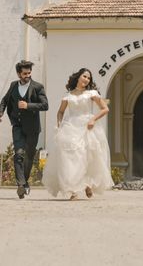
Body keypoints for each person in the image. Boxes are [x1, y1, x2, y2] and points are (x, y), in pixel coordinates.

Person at [42, 68, 111, 200]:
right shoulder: (68, 96)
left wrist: (93, 119)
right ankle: (73, 190)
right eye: (84, 76)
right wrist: (59, 124)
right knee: (70, 158)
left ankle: (87, 184)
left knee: (86, 157)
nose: (87, 79)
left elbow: (105, 109)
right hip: (70, 127)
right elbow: (60, 112)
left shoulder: (92, 93)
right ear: (78, 77)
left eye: (89, 78)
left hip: (87, 127)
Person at [0, 60, 48, 199]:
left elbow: (45, 105)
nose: (28, 75)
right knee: (18, 154)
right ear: (19, 74)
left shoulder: (38, 87)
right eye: (25, 73)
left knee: (29, 157)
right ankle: (20, 184)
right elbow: (5, 100)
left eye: (29, 72)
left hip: (33, 128)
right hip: (17, 126)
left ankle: (25, 183)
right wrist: (0, 112)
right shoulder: (13, 85)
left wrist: (28, 105)